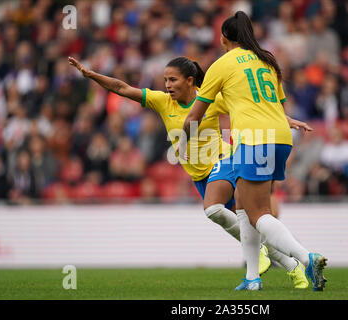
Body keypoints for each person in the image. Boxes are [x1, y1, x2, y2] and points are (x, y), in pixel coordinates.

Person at [68, 55, 310, 289]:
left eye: (173, 80)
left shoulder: (210, 101)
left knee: (216, 211)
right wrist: (91, 75)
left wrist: (285, 119)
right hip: (200, 175)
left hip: (224, 160)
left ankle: (266, 257)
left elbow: (250, 109)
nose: (167, 85)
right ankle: (293, 266)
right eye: (165, 80)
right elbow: (122, 88)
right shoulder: (162, 102)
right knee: (247, 226)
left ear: (190, 80)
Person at [183, 11, 327, 291]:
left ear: (223, 37)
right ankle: (252, 277)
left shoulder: (221, 64)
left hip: (253, 138)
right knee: (243, 207)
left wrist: (181, 142)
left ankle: (305, 258)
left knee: (257, 212)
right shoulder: (268, 60)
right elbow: (271, 106)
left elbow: (194, 117)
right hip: (280, 137)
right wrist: (290, 120)